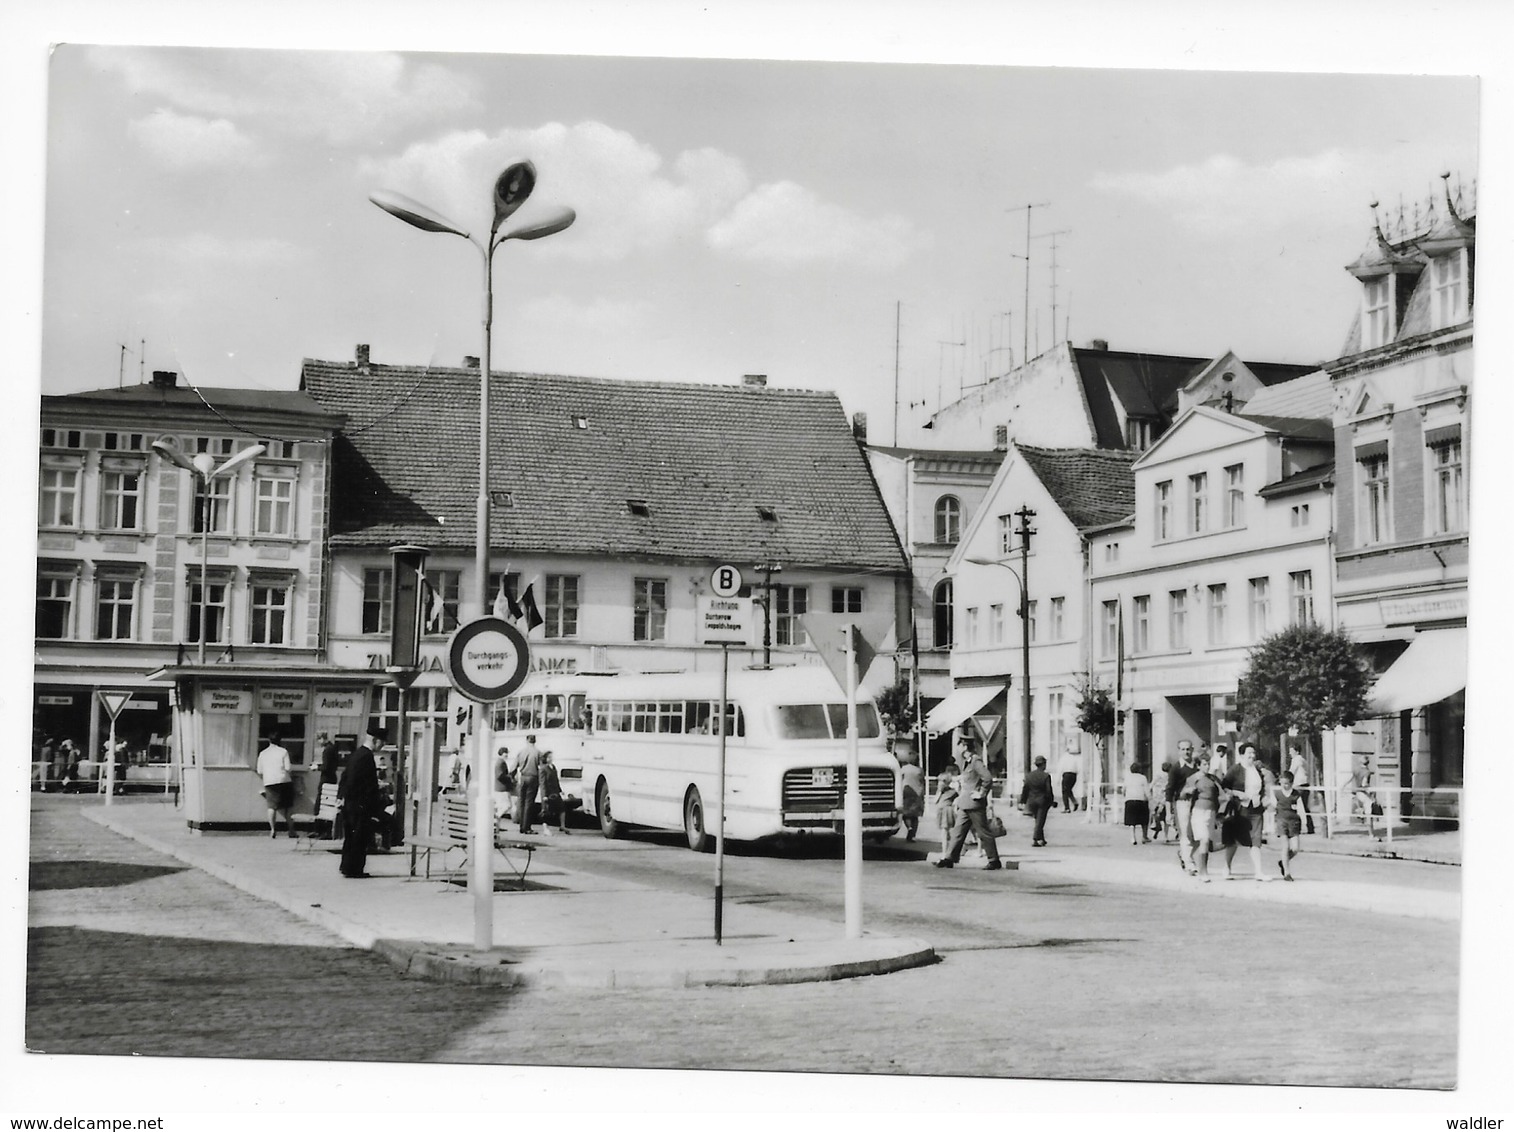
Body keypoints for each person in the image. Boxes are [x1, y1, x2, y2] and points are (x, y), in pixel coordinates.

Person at [933, 746, 1002, 870]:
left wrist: (981, 793)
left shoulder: (976, 761)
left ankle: (994, 860)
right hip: (965, 804)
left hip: (975, 804)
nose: (957, 749)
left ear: (964, 747)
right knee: (957, 832)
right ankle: (949, 858)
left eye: (959, 746)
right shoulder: (968, 763)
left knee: (983, 832)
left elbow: (987, 778)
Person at [1220, 744, 1267, 880]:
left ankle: (1258, 871)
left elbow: (1262, 787)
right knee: (1233, 841)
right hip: (1239, 809)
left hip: (1256, 809)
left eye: (1253, 753)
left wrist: (1264, 798)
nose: (1252, 756)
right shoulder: (1235, 769)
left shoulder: (1257, 770)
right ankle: (1227, 867)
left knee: (1256, 840)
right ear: (1241, 755)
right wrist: (1238, 794)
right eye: (1249, 753)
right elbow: (1224, 787)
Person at [337, 742, 381, 878]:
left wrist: (341, 796)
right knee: (359, 837)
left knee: (350, 837)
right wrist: (373, 804)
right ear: (375, 740)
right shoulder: (367, 757)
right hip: (360, 804)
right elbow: (369, 784)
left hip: (349, 803)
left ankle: (346, 866)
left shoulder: (356, 754)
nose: (382, 745)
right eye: (382, 742)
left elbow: (344, 777)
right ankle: (355, 869)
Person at [1183, 754, 1224, 881]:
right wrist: (1188, 791)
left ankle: (1185, 857)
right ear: (1198, 765)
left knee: (1201, 841)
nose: (1207, 766)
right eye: (1204, 764)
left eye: (1208, 764)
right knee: (1204, 840)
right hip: (1199, 811)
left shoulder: (1213, 779)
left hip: (1211, 812)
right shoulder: (1193, 778)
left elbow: (1221, 793)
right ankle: (1203, 872)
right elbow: (1183, 794)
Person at [256, 732, 296, 839]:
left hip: (269, 781)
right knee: (288, 807)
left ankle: (273, 830)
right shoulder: (283, 752)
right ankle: (291, 831)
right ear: (280, 741)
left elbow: (259, 771)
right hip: (284, 780)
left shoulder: (263, 753)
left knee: (271, 807)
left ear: (269, 741)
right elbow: (288, 768)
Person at [1167, 740, 1197, 867]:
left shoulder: (1197, 766)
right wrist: (1169, 812)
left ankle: (1185, 855)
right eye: (1183, 749)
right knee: (1185, 833)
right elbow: (1169, 790)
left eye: (1188, 749)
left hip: (1198, 804)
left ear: (1192, 749)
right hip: (1183, 803)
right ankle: (1189, 862)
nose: (1186, 752)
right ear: (1179, 751)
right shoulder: (1176, 768)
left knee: (1197, 835)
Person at [1273, 770, 1306, 880]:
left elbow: (1301, 810)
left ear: (1291, 783)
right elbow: (1272, 808)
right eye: (1282, 783)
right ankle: (1287, 873)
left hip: (1294, 822)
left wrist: (1304, 822)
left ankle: (1283, 862)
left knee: (1295, 848)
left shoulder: (1296, 795)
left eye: (1286, 783)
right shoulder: (1277, 794)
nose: (1284, 786)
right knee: (1285, 846)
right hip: (1281, 821)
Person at [1019, 754, 1056, 847]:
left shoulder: (1029, 776)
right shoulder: (1046, 776)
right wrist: (1051, 801)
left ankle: (1041, 839)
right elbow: (1048, 790)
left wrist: (1022, 800)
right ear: (1043, 764)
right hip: (1042, 801)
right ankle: (1035, 839)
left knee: (1038, 820)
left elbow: (1025, 789)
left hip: (1032, 801)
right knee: (1040, 820)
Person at [513, 734, 543, 834]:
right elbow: (542, 767)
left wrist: (511, 777)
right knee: (529, 803)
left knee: (521, 801)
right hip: (533, 777)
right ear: (535, 741)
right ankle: (527, 827)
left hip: (523, 777)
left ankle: (521, 826)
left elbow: (513, 767)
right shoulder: (538, 752)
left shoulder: (521, 752)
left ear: (527, 740)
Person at [314, 732, 341, 837]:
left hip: (326, 778)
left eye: (318, 740)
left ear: (322, 739)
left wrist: (317, 767)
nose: (318, 743)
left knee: (320, 803)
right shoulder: (333, 748)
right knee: (327, 803)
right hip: (332, 778)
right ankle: (325, 829)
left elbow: (326, 767)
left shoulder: (327, 750)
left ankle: (320, 829)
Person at [1287, 743, 1316, 835]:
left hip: (1299, 785)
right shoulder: (1303, 760)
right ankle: (1310, 827)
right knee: (1304, 807)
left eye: (1291, 751)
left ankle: (1296, 828)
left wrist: (1285, 779)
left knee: (1295, 806)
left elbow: (1292, 772)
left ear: (1297, 751)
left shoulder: (1297, 760)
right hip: (1304, 785)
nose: (1290, 753)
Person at [935, 760, 960, 856]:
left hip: (945, 811)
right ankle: (951, 850)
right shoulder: (953, 791)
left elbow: (935, 801)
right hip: (947, 810)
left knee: (944, 832)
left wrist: (939, 792)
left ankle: (945, 852)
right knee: (949, 831)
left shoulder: (944, 792)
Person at [539, 750, 567, 835]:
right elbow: (542, 783)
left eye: (552, 757)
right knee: (546, 811)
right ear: (545, 759)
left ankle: (563, 826)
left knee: (562, 808)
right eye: (549, 757)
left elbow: (556, 780)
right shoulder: (543, 769)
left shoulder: (553, 767)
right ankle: (545, 829)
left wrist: (560, 790)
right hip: (548, 792)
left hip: (555, 792)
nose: (551, 758)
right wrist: (544, 795)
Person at [1123, 762, 1151, 844]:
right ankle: (1144, 836)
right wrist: (1150, 798)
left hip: (1130, 800)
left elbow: (1123, 790)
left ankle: (1133, 838)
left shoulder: (1127, 778)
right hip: (1140, 800)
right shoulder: (1143, 778)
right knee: (1144, 820)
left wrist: (1125, 796)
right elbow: (1146, 790)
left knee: (1132, 821)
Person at [899, 757, 926, 841]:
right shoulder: (920, 770)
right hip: (918, 793)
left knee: (905, 813)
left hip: (906, 792)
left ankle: (909, 827)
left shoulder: (903, 769)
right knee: (915, 815)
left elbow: (899, 779)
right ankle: (913, 834)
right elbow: (922, 781)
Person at [1055, 745, 1079, 812]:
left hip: (1066, 775)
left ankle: (1067, 808)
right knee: (1068, 790)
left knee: (1064, 791)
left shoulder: (1063, 758)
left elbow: (1060, 769)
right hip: (1074, 775)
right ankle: (1075, 802)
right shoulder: (1073, 758)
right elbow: (1077, 769)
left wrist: (1057, 779)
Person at [1150, 761, 1170, 841]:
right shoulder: (1169, 777)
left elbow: (1151, 785)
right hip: (1165, 799)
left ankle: (1156, 827)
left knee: (1156, 815)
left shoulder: (1157, 775)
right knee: (1166, 819)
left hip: (1156, 799)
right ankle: (1166, 836)